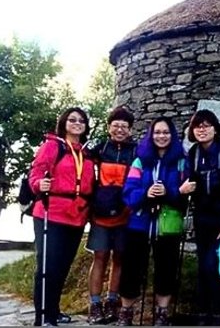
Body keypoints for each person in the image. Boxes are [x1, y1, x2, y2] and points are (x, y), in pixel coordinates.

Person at [117, 116, 187, 326]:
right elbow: (129, 193)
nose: (161, 136)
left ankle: (162, 313)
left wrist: (168, 192)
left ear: (172, 135)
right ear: (151, 135)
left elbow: (186, 193)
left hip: (168, 224)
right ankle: (126, 311)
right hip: (139, 223)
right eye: (157, 132)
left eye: (165, 132)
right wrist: (146, 193)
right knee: (131, 269)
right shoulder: (140, 161)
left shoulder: (182, 161)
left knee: (167, 268)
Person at [28, 107, 95, 326]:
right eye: (72, 119)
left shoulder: (86, 152)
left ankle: (54, 311)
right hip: (51, 212)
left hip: (76, 215)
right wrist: (39, 184)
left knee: (63, 265)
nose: (77, 123)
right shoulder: (52, 146)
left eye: (81, 121)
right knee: (48, 266)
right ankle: (43, 317)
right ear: (64, 123)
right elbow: (36, 173)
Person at [179, 109, 220, 326]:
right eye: (197, 126)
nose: (202, 130)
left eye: (206, 125)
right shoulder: (193, 153)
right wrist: (186, 189)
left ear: (215, 127)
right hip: (202, 217)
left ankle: (218, 311)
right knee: (204, 265)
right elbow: (188, 180)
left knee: (216, 264)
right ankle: (203, 311)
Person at [86, 107, 137, 324]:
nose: (119, 129)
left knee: (119, 259)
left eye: (124, 126)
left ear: (130, 130)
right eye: (115, 125)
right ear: (108, 127)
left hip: (126, 214)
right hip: (100, 213)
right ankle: (95, 304)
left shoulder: (136, 152)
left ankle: (112, 302)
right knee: (99, 257)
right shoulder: (98, 149)